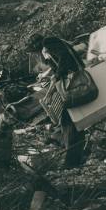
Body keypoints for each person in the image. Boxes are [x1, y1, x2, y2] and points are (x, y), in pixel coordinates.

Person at [27, 33, 86, 168]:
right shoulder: (49, 47)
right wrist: (51, 87)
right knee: (71, 121)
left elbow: (64, 59)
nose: (36, 56)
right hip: (73, 83)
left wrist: (56, 76)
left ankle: (72, 162)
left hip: (76, 84)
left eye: (34, 53)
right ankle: (74, 157)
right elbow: (58, 65)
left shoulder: (49, 42)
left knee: (68, 120)